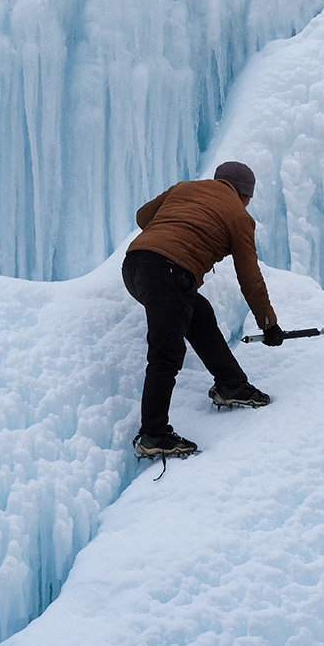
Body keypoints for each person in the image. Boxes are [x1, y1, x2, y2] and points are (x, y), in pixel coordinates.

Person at [123, 160, 279, 460]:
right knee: (165, 353)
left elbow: (144, 216)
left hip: (134, 267)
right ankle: (154, 434)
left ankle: (231, 384)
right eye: (249, 197)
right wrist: (269, 324)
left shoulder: (185, 189)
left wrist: (177, 221)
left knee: (198, 313)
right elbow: (250, 278)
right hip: (168, 272)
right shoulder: (239, 216)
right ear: (244, 194)